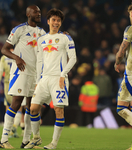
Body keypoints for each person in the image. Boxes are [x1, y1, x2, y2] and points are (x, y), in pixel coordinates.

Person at [24, 8, 77, 149]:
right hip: (44, 79)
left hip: (58, 79)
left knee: (59, 111)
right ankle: (36, 138)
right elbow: (39, 61)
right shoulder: (41, 40)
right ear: (48, 21)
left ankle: (53, 143)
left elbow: (73, 58)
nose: (56, 22)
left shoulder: (66, 38)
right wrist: (37, 81)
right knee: (33, 108)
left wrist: (62, 74)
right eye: (53, 20)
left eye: (58, 20)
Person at [0, 5, 46, 149]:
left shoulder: (42, 32)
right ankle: (3, 140)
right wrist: (16, 58)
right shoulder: (19, 29)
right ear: (28, 14)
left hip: (34, 74)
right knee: (16, 103)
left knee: (31, 107)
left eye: (39, 12)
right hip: (21, 72)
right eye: (36, 12)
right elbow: (4, 49)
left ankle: (26, 141)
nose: (39, 14)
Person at [114, 3, 132, 150]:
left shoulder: (131, 29)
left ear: (131, 13)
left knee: (121, 108)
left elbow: (121, 50)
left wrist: (117, 62)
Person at [0, 55, 22, 137]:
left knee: (9, 106)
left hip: (7, 84)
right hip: (18, 81)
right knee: (19, 106)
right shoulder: (18, 54)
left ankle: (9, 130)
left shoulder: (4, 57)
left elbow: (0, 71)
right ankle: (15, 127)